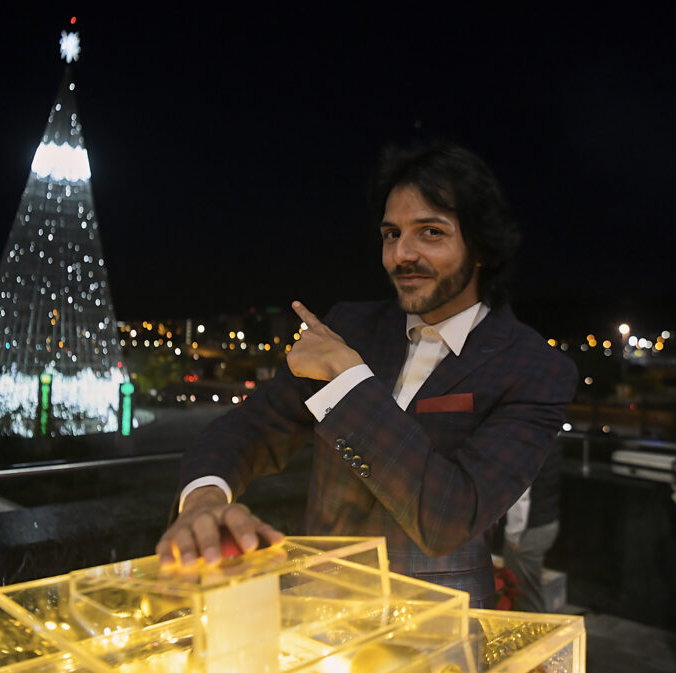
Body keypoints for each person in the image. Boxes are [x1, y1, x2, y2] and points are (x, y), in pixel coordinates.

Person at [156, 141, 578, 606]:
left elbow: (449, 516)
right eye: (391, 234)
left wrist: (349, 379)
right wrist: (204, 500)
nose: (401, 255)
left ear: (480, 247)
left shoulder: (536, 368)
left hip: (441, 625)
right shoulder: (351, 325)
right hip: (318, 610)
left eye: (430, 233)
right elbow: (253, 425)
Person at [502, 443, 562, 612]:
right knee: (530, 590)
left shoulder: (529, 444)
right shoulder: (551, 436)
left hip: (529, 531)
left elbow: (521, 494)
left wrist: (513, 534)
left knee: (525, 597)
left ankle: (536, 636)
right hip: (547, 522)